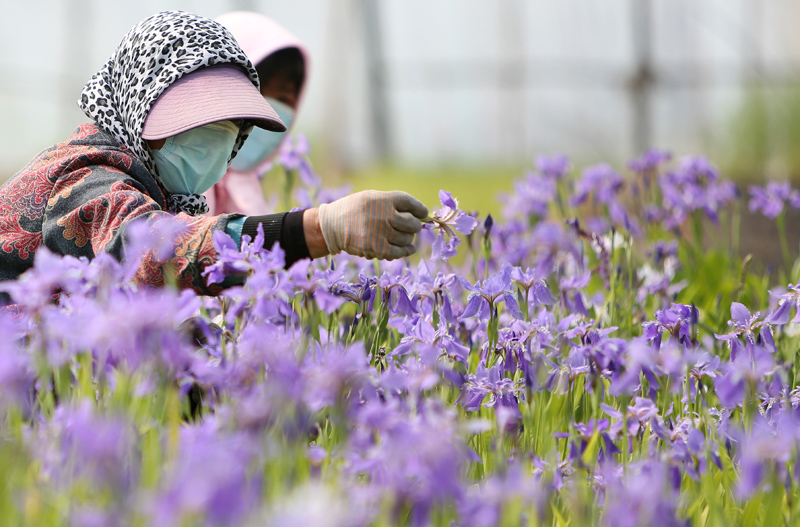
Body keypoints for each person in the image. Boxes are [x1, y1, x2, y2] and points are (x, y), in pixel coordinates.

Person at [0, 11, 428, 295]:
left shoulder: (157, 187)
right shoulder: (88, 176)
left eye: (228, 131)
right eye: (191, 123)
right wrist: (322, 228)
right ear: (136, 104)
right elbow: (152, 252)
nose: (211, 148)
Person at [204, 11, 309, 217]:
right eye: (258, 93)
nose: (272, 115)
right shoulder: (181, 187)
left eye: (286, 102)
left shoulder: (247, 189)